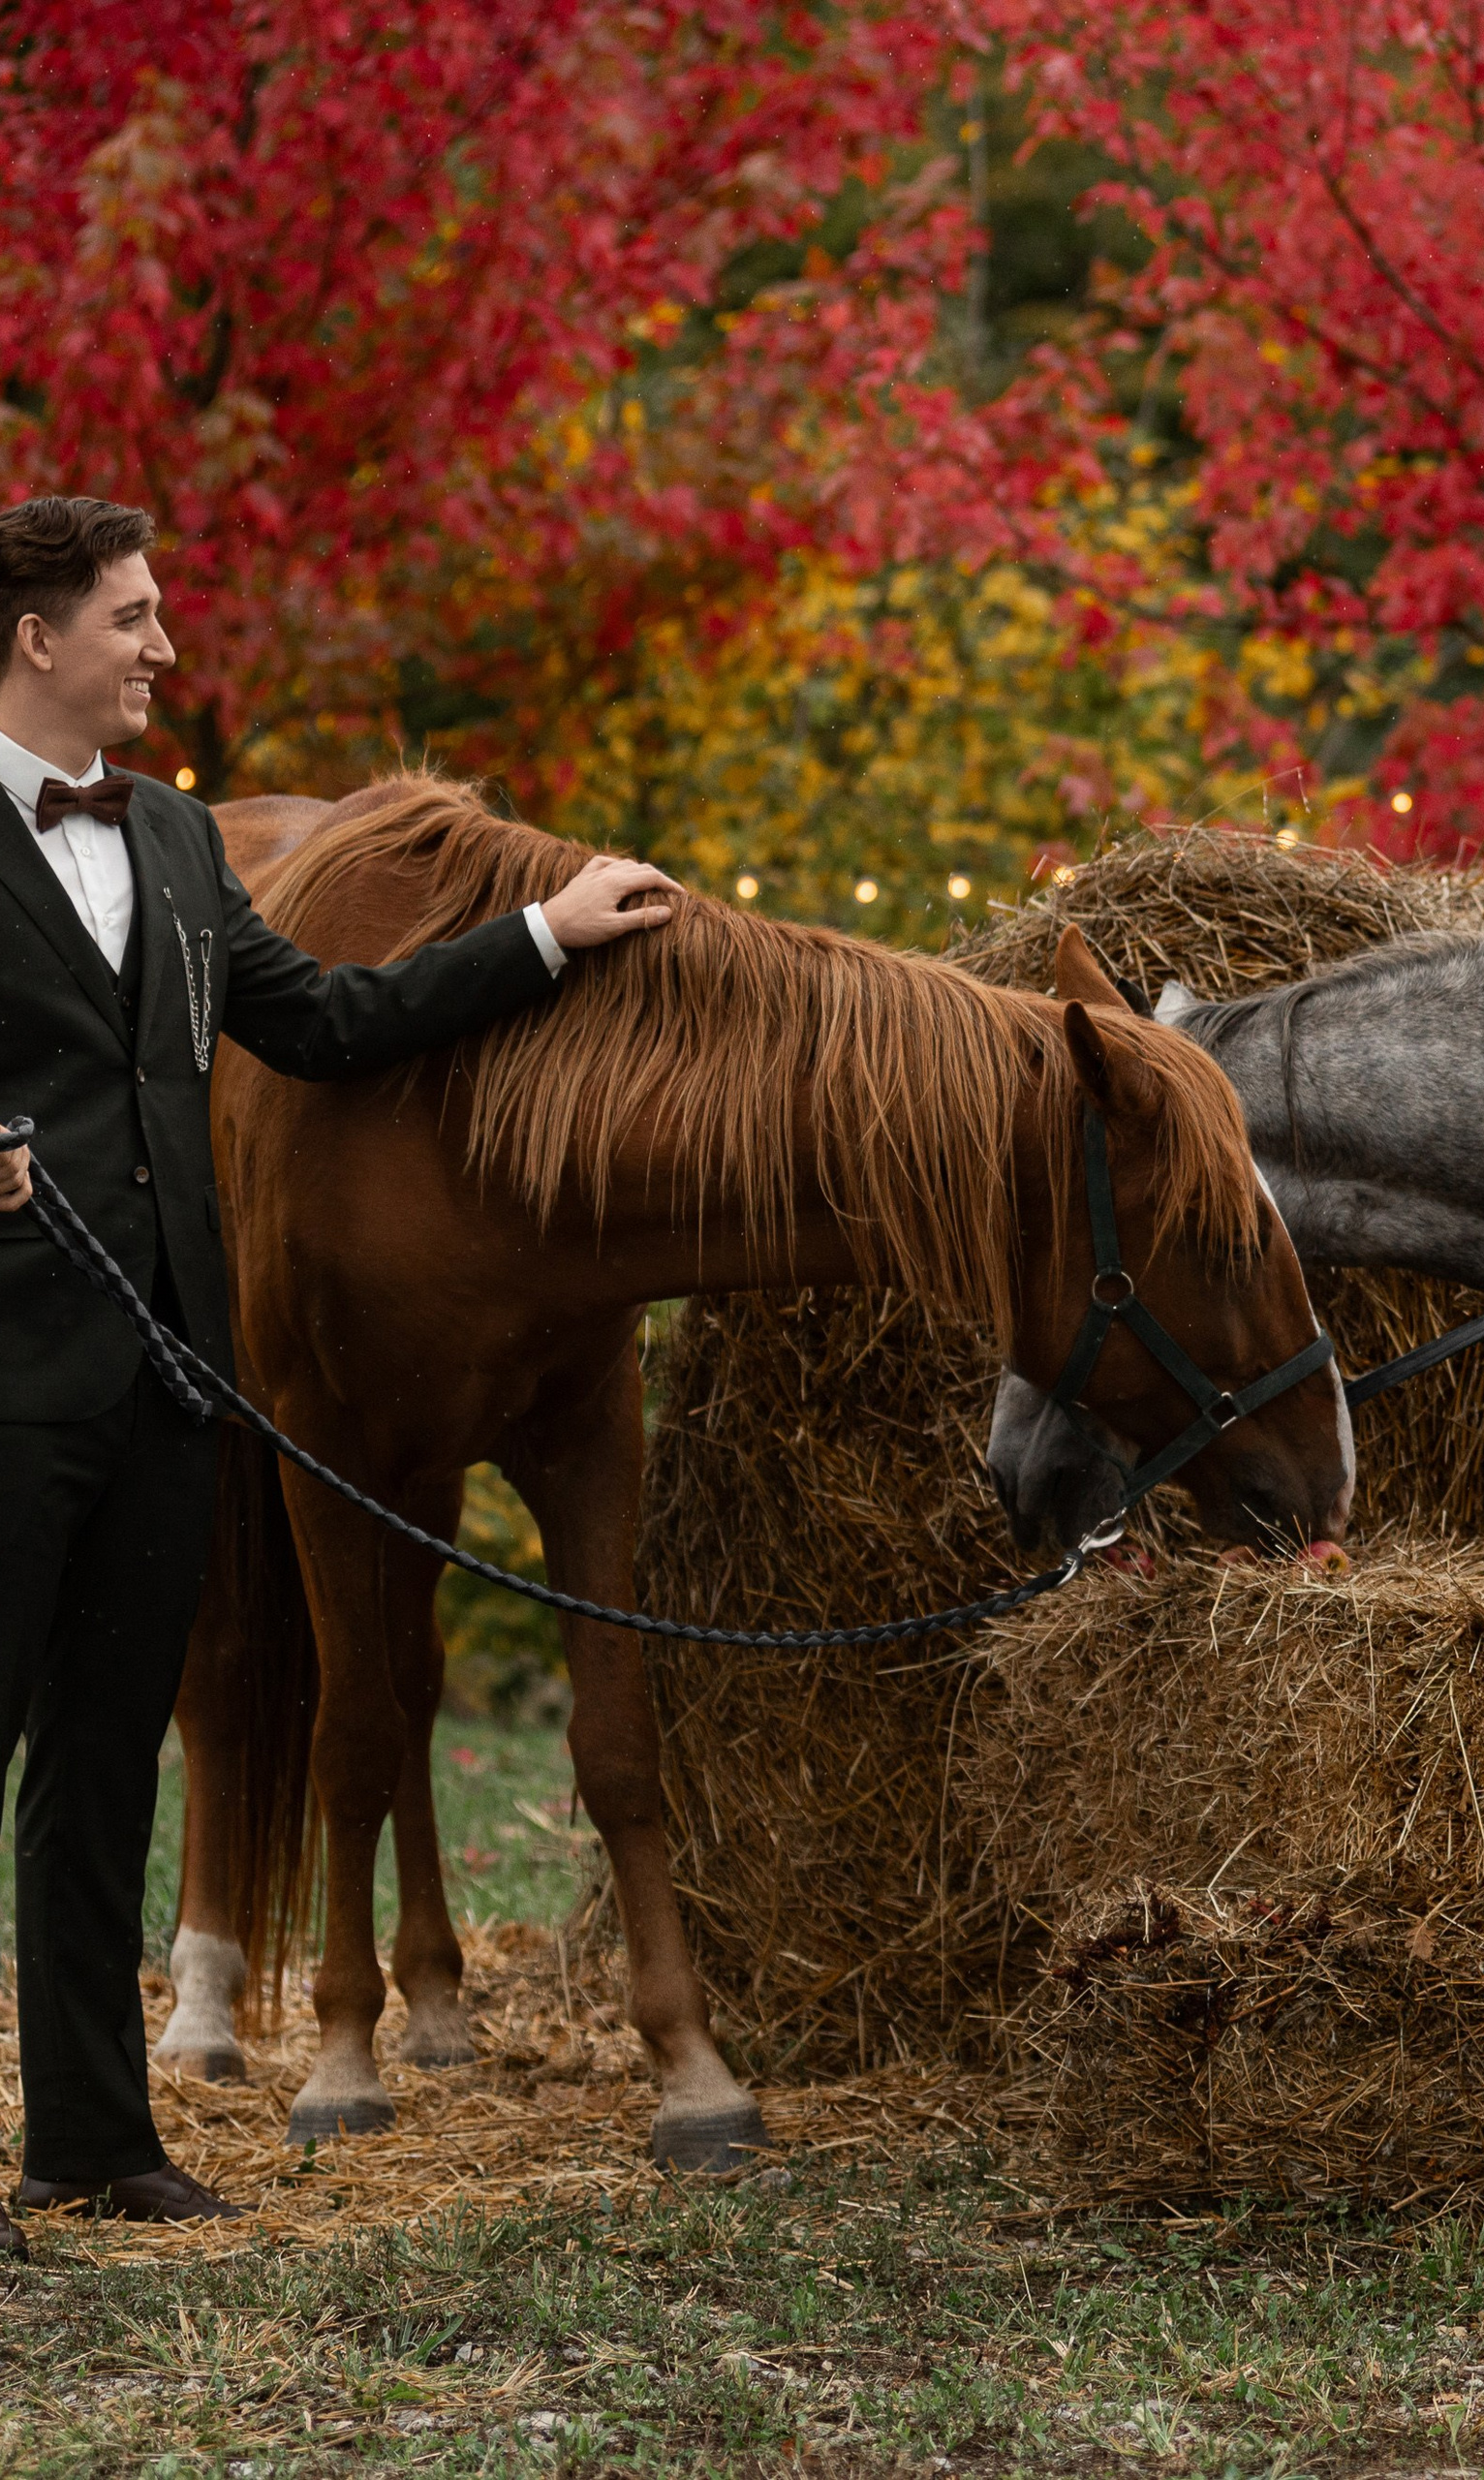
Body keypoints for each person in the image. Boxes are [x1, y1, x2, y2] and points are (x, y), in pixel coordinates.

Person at [0, 496, 678, 2255]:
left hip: (167, 1386)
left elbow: (324, 1024)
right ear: (36, 639)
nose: (162, 647)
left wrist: (548, 937)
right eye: (133, 618)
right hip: (1, 1380)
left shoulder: (172, 838)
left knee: (102, 1772)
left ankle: (86, 2140)